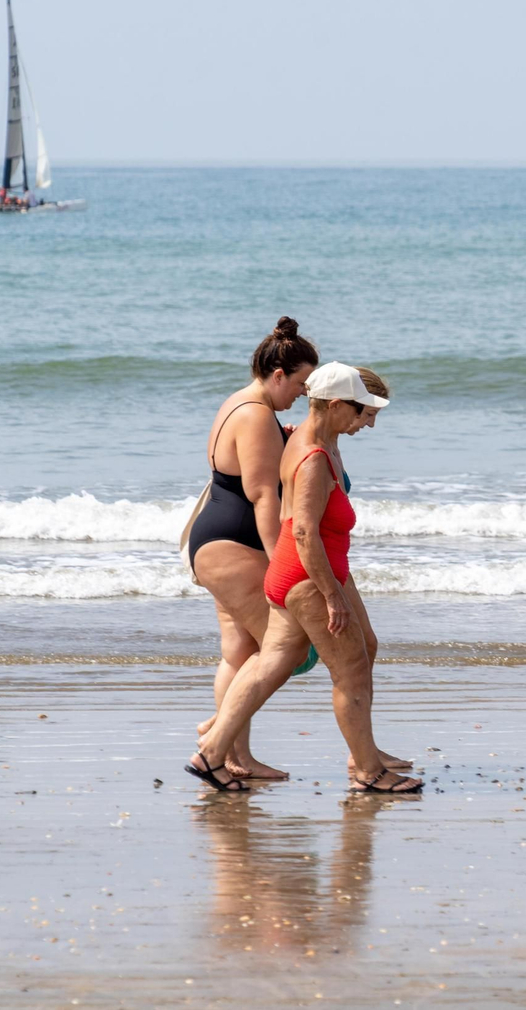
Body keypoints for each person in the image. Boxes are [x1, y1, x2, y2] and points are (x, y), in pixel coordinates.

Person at [186, 362, 420, 793]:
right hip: (308, 574)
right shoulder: (312, 456)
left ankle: (211, 752)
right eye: (361, 412)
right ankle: (368, 770)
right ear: (333, 405)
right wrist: (332, 596)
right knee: (349, 669)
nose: (366, 423)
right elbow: (301, 530)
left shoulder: (311, 440)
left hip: (304, 571)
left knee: (271, 664)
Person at [185, 317, 318, 779]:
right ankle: (220, 742)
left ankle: (234, 755)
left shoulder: (237, 404)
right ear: (278, 375)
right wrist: (284, 557)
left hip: (215, 540)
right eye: (300, 384)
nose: (302, 393)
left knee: (240, 652)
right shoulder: (257, 414)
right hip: (234, 544)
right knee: (286, 645)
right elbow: (264, 496)